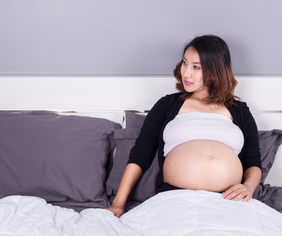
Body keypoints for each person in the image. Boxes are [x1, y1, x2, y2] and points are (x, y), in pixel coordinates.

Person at [107, 35, 262, 218]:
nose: (186, 73)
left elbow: (253, 162)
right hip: (176, 198)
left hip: (228, 201)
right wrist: (118, 203)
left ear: (216, 71)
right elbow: (140, 155)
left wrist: (248, 187)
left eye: (196, 67)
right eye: (185, 63)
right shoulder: (167, 105)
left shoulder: (240, 111)